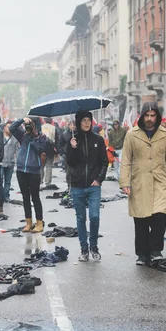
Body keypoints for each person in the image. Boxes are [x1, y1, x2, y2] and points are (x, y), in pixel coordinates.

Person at [120, 102, 166, 265]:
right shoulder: (132, 134)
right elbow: (125, 160)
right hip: (140, 182)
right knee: (141, 220)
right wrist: (125, 182)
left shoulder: (165, 134)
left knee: (160, 218)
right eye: (147, 115)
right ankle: (142, 254)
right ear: (142, 116)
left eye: (153, 116)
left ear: (157, 117)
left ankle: (155, 250)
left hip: (160, 182)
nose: (150, 119)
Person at [66, 110, 108, 262]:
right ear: (78, 122)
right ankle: (84, 249)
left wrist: (99, 179)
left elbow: (104, 162)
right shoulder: (72, 140)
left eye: (88, 120)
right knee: (81, 218)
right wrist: (72, 148)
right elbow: (70, 163)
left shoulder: (98, 139)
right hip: (77, 185)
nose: (86, 123)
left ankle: (94, 247)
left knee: (95, 217)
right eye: (83, 120)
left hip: (93, 186)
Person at [9, 117, 47, 233]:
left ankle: (39, 223)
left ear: (36, 125)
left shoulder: (41, 137)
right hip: (21, 170)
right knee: (25, 197)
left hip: (34, 171)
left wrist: (33, 136)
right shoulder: (22, 135)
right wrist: (22, 120)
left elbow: (40, 149)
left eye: (32, 124)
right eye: (28, 124)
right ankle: (28, 222)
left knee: (35, 197)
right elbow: (12, 128)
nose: (29, 126)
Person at [1, 121, 18, 201]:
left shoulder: (15, 138)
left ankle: (6, 196)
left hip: (10, 163)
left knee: (8, 182)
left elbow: (17, 151)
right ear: (4, 128)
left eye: (11, 127)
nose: (9, 129)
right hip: (1, 162)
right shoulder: (0, 137)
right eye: (8, 127)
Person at [108, 119, 127, 184]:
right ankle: (117, 176)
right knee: (115, 164)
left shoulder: (123, 131)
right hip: (114, 149)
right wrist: (111, 150)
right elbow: (109, 141)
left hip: (121, 148)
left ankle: (120, 176)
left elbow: (126, 139)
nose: (115, 125)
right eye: (114, 124)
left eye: (116, 124)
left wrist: (126, 146)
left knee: (120, 162)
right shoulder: (111, 132)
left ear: (118, 124)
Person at [41, 118, 57, 186]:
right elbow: (57, 139)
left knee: (41, 166)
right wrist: (57, 151)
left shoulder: (40, 127)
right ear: (51, 121)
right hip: (50, 148)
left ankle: (40, 181)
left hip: (41, 148)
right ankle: (47, 182)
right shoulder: (54, 128)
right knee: (49, 165)